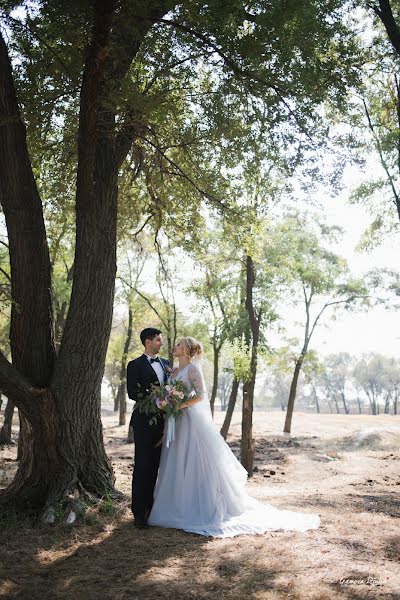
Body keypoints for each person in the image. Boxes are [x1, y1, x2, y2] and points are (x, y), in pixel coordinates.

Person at [148, 336, 320, 537]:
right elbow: (170, 391)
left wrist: (180, 404)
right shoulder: (174, 370)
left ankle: (195, 506)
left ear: (186, 350)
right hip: (176, 421)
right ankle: (173, 505)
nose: (174, 347)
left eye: (178, 345)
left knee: (193, 459)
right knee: (176, 460)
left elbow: (201, 395)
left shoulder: (193, 370)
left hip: (189, 419)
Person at [127, 328, 170, 528]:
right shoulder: (134, 365)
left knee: (156, 466)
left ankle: (153, 509)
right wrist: (156, 398)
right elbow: (132, 392)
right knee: (142, 465)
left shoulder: (167, 364)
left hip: (164, 423)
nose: (161, 343)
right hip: (144, 421)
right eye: (158, 340)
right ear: (148, 342)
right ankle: (138, 512)